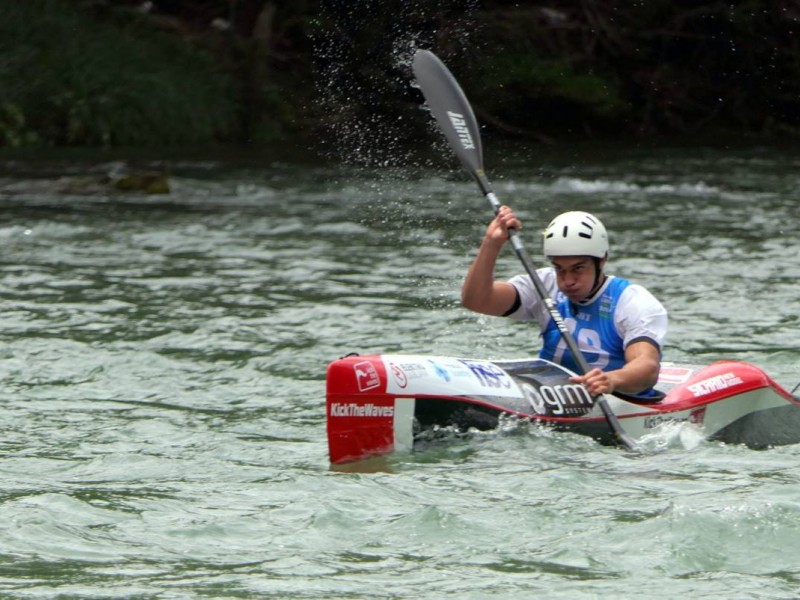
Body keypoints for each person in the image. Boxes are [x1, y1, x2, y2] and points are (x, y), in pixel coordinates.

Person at [461, 206, 667, 400]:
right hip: (552, 395)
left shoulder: (631, 301)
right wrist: (491, 243)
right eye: (560, 268)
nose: (567, 280)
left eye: (578, 268)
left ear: (601, 261)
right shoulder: (544, 285)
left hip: (619, 400)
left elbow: (647, 367)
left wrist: (612, 380)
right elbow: (477, 301)